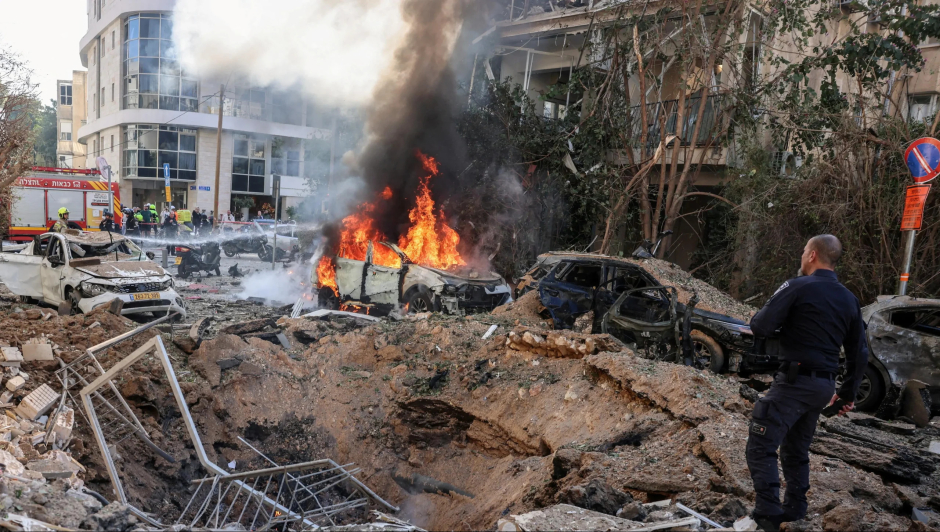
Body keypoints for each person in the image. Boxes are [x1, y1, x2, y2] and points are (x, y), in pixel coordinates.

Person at [745, 234, 868, 531]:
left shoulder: (797, 286)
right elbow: (860, 352)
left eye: (803, 251)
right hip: (823, 387)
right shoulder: (849, 299)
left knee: (760, 444)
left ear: (812, 255)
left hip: (794, 382)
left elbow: (761, 325)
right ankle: (795, 509)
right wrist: (846, 394)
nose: (801, 256)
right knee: (795, 449)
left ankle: (767, 514)